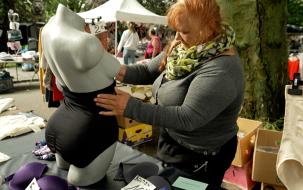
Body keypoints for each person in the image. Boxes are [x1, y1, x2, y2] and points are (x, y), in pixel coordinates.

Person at [94, 0, 244, 189]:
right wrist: (114, 68)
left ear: (209, 26)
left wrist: (130, 107)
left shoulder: (221, 70)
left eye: (185, 31)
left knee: (190, 186)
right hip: (173, 146)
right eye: (176, 30)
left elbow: (187, 118)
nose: (178, 38)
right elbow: (148, 71)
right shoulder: (183, 49)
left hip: (201, 160)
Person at [41, 4, 120, 186]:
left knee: (64, 170)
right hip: (90, 131)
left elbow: (60, 87)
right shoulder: (86, 43)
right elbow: (116, 68)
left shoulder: (48, 30)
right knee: (77, 180)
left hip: (60, 124)